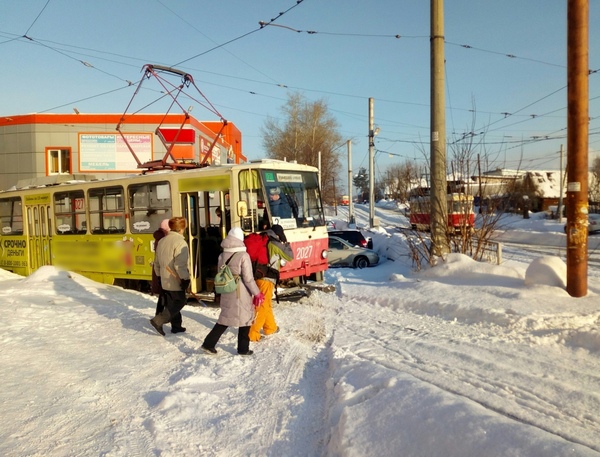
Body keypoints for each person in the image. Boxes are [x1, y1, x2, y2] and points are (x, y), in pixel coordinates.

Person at [202, 227, 264, 356]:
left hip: (226, 288)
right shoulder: (243, 255)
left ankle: (208, 343)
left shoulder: (222, 255)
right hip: (240, 290)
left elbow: (221, 271)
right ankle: (243, 348)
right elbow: (248, 278)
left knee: (225, 317)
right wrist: (257, 293)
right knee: (246, 317)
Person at [248, 224, 293, 342]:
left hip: (258, 274)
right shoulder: (274, 243)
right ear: (278, 234)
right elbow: (289, 256)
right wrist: (286, 243)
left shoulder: (263, 237)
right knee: (262, 305)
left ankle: (270, 327)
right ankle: (253, 333)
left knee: (266, 303)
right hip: (267, 277)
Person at [150, 217, 190, 336]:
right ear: (182, 228)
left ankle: (176, 326)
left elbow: (156, 262)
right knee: (179, 301)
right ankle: (159, 320)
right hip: (175, 279)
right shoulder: (180, 242)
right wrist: (185, 279)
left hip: (164, 278)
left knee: (171, 302)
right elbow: (180, 265)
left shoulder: (162, 241)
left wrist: (158, 276)